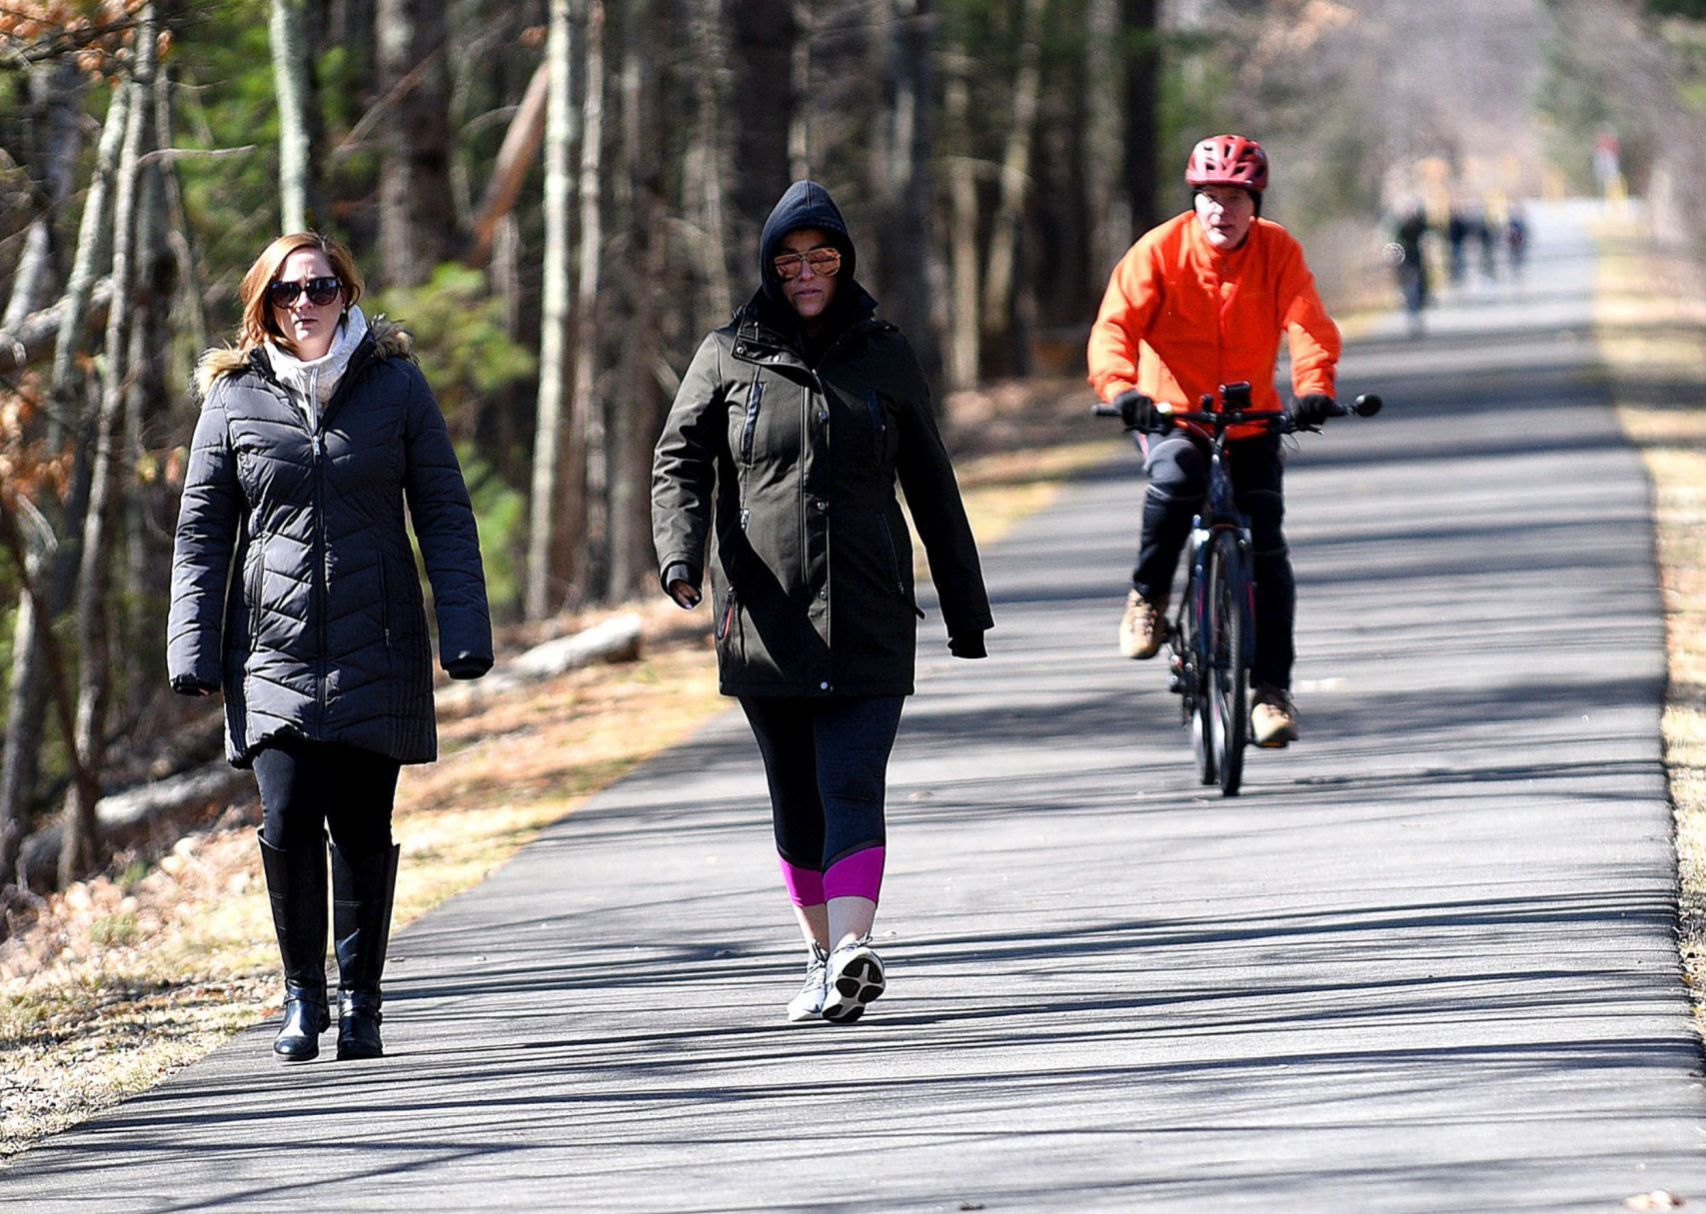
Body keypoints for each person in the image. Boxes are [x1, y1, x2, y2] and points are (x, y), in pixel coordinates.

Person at [653, 180, 992, 1024]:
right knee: (795, 798)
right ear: (770, 267)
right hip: (762, 619)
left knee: (851, 783)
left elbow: (932, 484)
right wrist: (680, 557)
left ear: (844, 265)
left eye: (823, 258)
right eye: (791, 260)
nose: (807, 273)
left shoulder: (884, 351)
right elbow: (679, 462)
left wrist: (964, 608)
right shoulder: (727, 353)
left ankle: (852, 948)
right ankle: (818, 952)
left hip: (870, 609)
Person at [167, 232, 493, 1062]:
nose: (304, 303)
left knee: (360, 821)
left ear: (346, 292)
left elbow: (446, 514)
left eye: (318, 286)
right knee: (284, 816)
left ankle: (363, 1000)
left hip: (374, 638)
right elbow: (201, 533)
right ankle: (302, 997)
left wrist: (466, 634)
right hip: (268, 644)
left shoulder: (397, 387)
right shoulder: (234, 400)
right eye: (286, 292)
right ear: (263, 306)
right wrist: (192, 646)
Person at [1086, 134, 1341, 748]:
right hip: (1173, 413)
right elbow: (1115, 326)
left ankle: (1272, 694)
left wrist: (1313, 387)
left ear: (1255, 201)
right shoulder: (1160, 251)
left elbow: (1307, 324)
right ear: (1194, 201)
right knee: (1176, 483)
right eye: (1209, 197)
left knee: (1270, 552)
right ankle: (1146, 597)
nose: (1220, 211)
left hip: (1252, 418)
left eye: (1234, 197)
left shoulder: (1279, 251)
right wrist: (1124, 392)